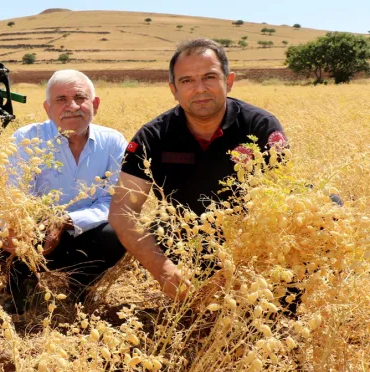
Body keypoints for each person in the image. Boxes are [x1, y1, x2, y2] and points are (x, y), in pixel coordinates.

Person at [109, 39, 288, 300]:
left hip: (247, 242)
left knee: (327, 206)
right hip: (184, 244)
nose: (200, 89)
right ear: (174, 89)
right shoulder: (153, 136)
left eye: (209, 77)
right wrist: (165, 271)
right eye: (187, 81)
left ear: (229, 81)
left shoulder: (261, 127)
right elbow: (122, 212)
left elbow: (283, 201)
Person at [2, 70, 128, 314]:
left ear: (96, 104)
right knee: (8, 229)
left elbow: (115, 201)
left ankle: (80, 286)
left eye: (80, 97)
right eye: (61, 100)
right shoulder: (27, 139)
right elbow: (16, 197)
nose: (72, 106)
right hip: (38, 233)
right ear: (48, 109)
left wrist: (67, 221)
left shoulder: (113, 142)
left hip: (86, 232)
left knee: (117, 232)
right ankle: (22, 287)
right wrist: (39, 224)